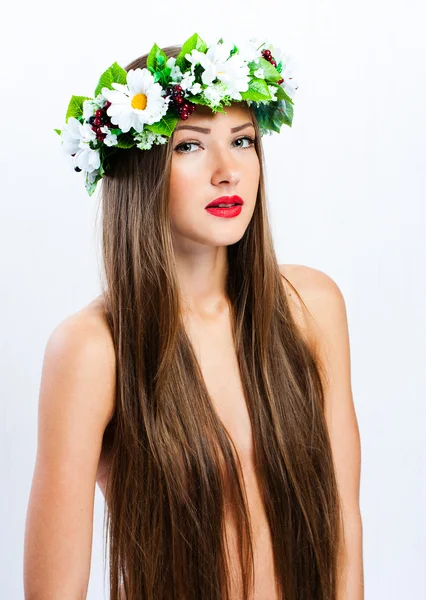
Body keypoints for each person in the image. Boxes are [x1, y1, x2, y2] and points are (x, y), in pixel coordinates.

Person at [24, 35, 364, 600]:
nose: (227, 170)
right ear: (141, 168)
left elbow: (344, 525)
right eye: (189, 147)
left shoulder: (312, 306)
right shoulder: (92, 350)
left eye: (242, 141)